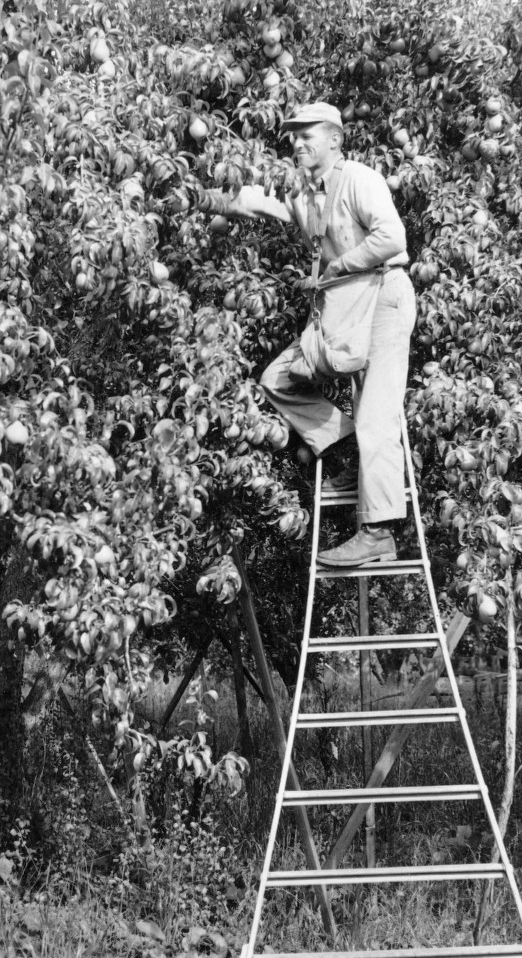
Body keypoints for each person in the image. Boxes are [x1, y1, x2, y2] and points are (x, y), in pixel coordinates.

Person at [196, 102, 416, 567]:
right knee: (278, 378)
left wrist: (339, 265)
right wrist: (202, 197)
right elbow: (254, 201)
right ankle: (346, 447)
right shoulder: (302, 193)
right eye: (292, 135)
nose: (296, 142)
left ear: (334, 139)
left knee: (378, 416)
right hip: (340, 310)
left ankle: (377, 531)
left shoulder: (359, 179)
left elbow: (393, 239)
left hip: (381, 299)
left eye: (307, 134)